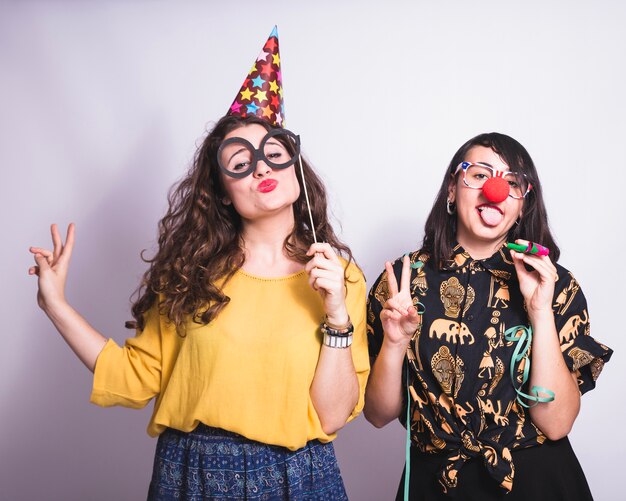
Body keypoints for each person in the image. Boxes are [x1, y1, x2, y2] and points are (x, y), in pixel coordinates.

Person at [28, 28, 369, 500]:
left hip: (301, 477)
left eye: (273, 154)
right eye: (239, 162)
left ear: (295, 166)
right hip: (194, 473)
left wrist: (336, 314)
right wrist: (56, 305)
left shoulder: (340, 277)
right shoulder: (191, 274)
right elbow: (134, 378)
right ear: (223, 193)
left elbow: (332, 417)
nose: (261, 169)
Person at [364, 132, 612, 500]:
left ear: (523, 205)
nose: (495, 188)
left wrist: (540, 311)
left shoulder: (554, 284)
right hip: (435, 483)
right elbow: (378, 414)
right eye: (479, 174)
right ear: (452, 189)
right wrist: (396, 343)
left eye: (512, 182)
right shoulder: (401, 280)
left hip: (536, 481)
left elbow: (557, 423)